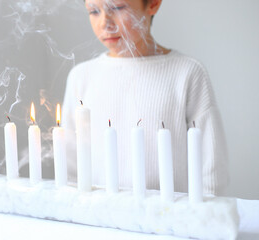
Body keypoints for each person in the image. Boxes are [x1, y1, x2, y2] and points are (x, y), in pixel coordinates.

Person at [61, 0, 228, 195]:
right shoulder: (81, 76)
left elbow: (211, 168)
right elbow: (71, 164)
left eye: (117, 8)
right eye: (94, 11)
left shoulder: (187, 73)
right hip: (100, 218)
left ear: (153, 4)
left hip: (170, 219)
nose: (105, 23)